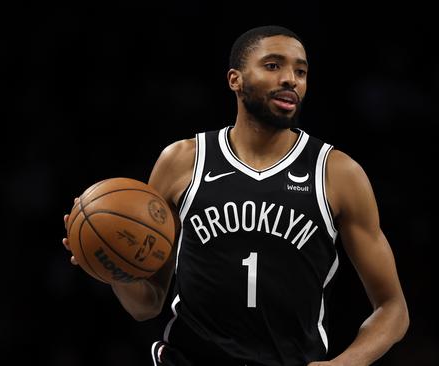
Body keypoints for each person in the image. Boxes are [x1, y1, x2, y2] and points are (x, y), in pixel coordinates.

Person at [62, 25, 409, 366]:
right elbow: (147, 305)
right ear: (235, 79)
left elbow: (393, 310)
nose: (291, 79)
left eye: (300, 71)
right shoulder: (182, 161)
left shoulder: (338, 173)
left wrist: (345, 364)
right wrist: (113, 266)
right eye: (273, 66)